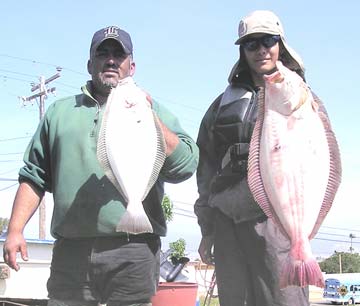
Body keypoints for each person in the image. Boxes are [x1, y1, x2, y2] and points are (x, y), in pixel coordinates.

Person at [3, 26, 199, 306]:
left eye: (118, 55)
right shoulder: (59, 113)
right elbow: (33, 177)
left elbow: (186, 166)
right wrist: (15, 230)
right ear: (89, 63)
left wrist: (150, 117)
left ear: (131, 66)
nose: (110, 60)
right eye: (102, 53)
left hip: (134, 251)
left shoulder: (153, 111)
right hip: (72, 252)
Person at [194, 10, 330, 306]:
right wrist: (207, 230)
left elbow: (320, 164)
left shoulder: (301, 97)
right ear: (242, 51)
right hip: (227, 220)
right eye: (251, 44)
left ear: (280, 43)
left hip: (276, 223)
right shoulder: (222, 104)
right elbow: (205, 168)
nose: (261, 50)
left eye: (268, 40)